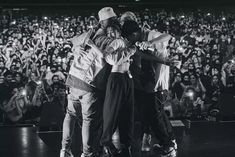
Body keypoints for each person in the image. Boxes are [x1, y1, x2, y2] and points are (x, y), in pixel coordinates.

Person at [60, 7, 117, 157]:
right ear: (103, 22)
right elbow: (108, 58)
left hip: (73, 78)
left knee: (70, 115)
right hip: (89, 83)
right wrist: (75, 48)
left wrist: (74, 48)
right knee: (88, 120)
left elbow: (72, 40)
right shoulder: (112, 40)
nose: (113, 22)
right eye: (111, 20)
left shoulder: (88, 34)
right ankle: (87, 153)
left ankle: (64, 150)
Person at [121, 20, 177, 156]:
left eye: (130, 37)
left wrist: (150, 42)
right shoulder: (136, 41)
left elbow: (167, 36)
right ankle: (170, 142)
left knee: (155, 115)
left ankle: (168, 146)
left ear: (135, 33)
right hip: (148, 81)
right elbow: (141, 54)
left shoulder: (150, 34)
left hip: (158, 80)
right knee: (158, 113)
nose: (129, 40)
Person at [100, 21, 136, 157]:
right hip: (117, 78)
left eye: (112, 31)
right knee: (111, 111)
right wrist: (128, 52)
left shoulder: (124, 42)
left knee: (127, 112)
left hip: (127, 78)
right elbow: (107, 55)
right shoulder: (118, 42)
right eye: (108, 32)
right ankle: (106, 143)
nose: (110, 34)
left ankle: (126, 145)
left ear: (119, 31)